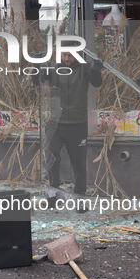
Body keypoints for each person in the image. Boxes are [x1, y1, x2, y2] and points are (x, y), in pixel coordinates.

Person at [43, 52, 103, 197]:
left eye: (70, 56)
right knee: (51, 158)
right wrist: (36, 66)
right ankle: (53, 194)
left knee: (79, 164)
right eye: (64, 55)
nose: (67, 59)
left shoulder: (84, 67)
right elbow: (36, 80)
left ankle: (80, 196)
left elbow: (97, 83)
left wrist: (96, 70)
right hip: (56, 123)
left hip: (78, 124)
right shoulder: (52, 67)